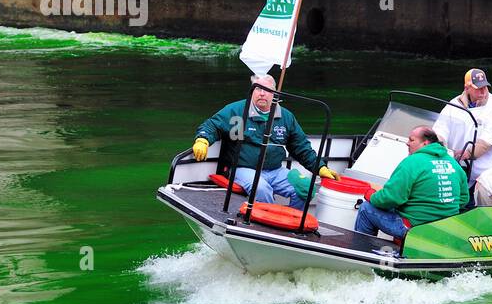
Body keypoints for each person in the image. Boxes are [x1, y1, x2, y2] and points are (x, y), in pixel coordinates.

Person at [192, 74, 335, 210]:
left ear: (274, 94)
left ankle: (292, 223)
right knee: (261, 188)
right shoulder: (236, 110)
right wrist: (202, 140)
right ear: (252, 91)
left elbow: (301, 147)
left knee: (305, 187)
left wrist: (320, 168)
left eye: (267, 90)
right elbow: (212, 126)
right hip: (242, 168)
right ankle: (268, 225)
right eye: (258, 89)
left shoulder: (286, 116)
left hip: (275, 170)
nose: (262, 93)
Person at [355, 125, 467, 241]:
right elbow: (463, 200)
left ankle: (360, 251)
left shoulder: (412, 162)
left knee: (366, 208)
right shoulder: (454, 164)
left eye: (412, 140)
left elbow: (392, 198)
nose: (407, 143)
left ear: (425, 143)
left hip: (414, 228)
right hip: (444, 229)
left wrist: (372, 196)